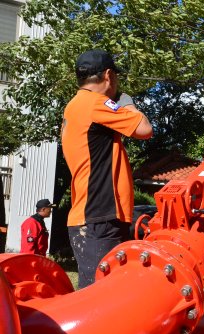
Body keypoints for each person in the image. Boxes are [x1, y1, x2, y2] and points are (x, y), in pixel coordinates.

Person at [61, 49, 153, 288]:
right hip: (99, 216)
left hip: (91, 216)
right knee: (98, 297)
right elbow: (144, 128)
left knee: (103, 294)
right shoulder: (95, 104)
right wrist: (126, 102)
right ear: (109, 76)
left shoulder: (75, 106)